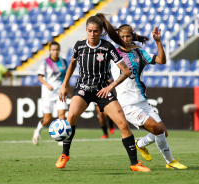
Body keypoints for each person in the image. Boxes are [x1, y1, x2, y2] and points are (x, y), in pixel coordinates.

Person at [58, 13, 150, 172]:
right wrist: (64, 85)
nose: (92, 34)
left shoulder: (107, 47)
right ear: (86, 30)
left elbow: (126, 71)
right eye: (89, 31)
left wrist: (110, 86)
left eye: (95, 31)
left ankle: (134, 163)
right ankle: (65, 154)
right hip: (83, 89)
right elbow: (72, 64)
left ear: (101, 31)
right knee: (70, 117)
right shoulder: (79, 46)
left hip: (102, 90)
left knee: (122, 122)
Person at [110, 24, 188, 169]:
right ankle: (170, 162)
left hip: (142, 101)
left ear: (132, 36)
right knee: (158, 130)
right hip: (128, 104)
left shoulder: (139, 53)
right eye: (121, 37)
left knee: (163, 132)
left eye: (127, 36)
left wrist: (158, 41)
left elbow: (161, 60)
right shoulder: (113, 54)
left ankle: (140, 144)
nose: (125, 39)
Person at [32, 41, 71, 145]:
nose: (55, 52)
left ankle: (61, 138)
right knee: (47, 119)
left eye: (57, 50)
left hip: (60, 92)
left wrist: (69, 90)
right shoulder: (45, 62)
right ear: (49, 51)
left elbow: (66, 78)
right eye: (53, 50)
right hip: (48, 93)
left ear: (59, 50)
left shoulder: (63, 62)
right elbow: (40, 77)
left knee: (62, 114)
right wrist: (47, 84)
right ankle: (37, 130)